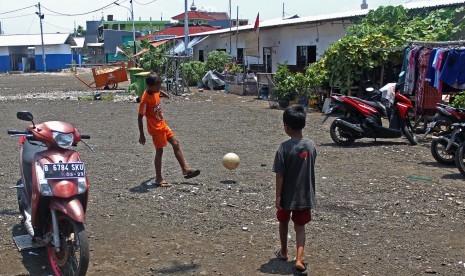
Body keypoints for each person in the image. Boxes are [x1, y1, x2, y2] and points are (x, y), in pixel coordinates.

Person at [272, 105, 317, 275]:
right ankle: (299, 259)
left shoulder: (283, 148)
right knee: (300, 227)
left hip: (286, 196)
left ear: (287, 127)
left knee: (283, 222)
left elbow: (280, 175)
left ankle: (284, 251)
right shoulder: (311, 145)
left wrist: (278, 197)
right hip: (304, 196)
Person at [138, 73, 200, 187]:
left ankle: (185, 169)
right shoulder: (145, 100)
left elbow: (157, 92)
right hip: (156, 128)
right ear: (149, 86)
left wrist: (162, 93)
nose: (158, 89)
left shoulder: (155, 91)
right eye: (157, 87)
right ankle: (158, 178)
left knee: (176, 143)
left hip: (163, 124)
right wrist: (141, 134)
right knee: (159, 151)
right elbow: (140, 116)